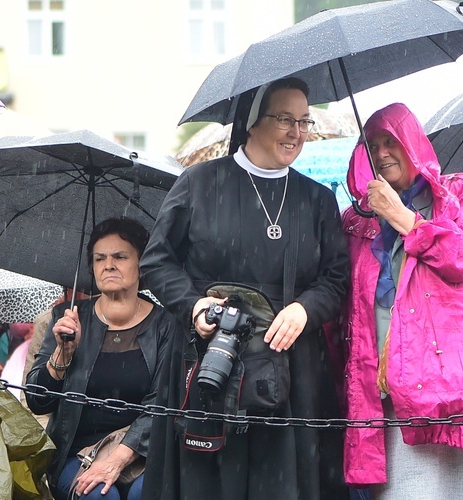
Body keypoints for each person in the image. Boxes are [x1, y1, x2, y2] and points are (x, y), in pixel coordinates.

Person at [138, 77, 350, 500]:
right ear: (252, 122)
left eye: (304, 121)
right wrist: (194, 305)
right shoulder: (198, 183)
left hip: (291, 366)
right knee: (209, 481)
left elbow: (337, 277)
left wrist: (306, 309)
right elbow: (156, 262)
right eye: (285, 119)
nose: (297, 132)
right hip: (212, 358)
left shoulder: (317, 200)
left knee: (283, 483)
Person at [340, 102, 463, 499]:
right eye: (373, 146)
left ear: (413, 144)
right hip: (395, 395)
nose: (383, 152)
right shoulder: (356, 222)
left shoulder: (460, 192)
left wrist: (405, 219)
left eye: (392, 141)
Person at [26, 217, 175, 500]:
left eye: (120, 256)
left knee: (151, 493)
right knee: (96, 495)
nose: (108, 265)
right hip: (77, 453)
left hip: (144, 451)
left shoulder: (166, 325)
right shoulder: (67, 318)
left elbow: (162, 403)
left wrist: (117, 460)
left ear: (141, 263)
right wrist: (63, 353)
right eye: (99, 258)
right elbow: (37, 400)